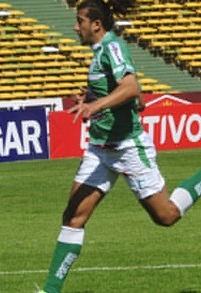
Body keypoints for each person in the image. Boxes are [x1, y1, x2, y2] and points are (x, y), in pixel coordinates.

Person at [37, 1, 201, 292]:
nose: (76, 26)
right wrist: (90, 99)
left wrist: (95, 105)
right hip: (100, 149)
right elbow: (135, 100)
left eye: (80, 21)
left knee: (167, 216)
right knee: (73, 217)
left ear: (96, 24)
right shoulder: (99, 52)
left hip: (128, 147)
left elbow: (132, 88)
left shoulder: (112, 47)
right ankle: (50, 291)